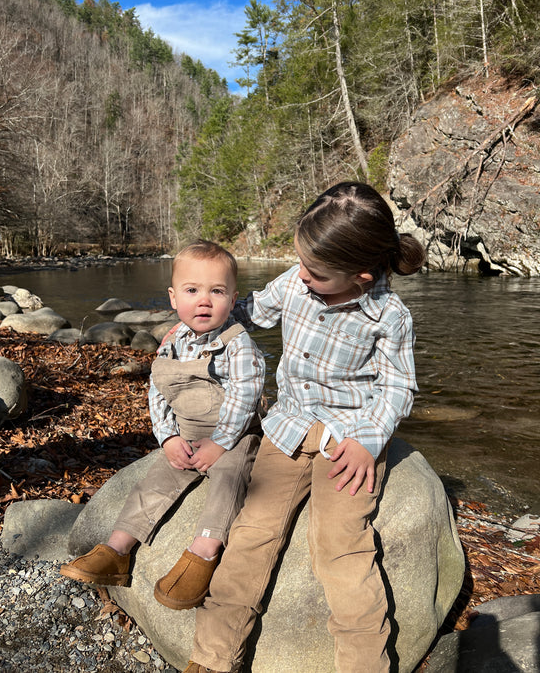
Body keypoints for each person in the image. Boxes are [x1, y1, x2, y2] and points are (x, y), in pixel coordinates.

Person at [183, 182, 426, 673]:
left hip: (348, 440)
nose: (301, 275)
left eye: (314, 272)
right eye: (300, 263)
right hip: (288, 428)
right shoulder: (296, 283)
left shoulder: (389, 316)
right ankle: (211, 660)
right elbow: (250, 312)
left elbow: (398, 388)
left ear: (359, 275)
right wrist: (202, 321)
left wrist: (369, 441)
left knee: (341, 550)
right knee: (251, 535)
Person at [60, 240, 266, 611]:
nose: (204, 300)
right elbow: (158, 391)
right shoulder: (172, 342)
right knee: (154, 480)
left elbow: (245, 399)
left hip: (233, 436)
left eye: (216, 291)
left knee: (229, 479)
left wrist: (220, 443)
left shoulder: (239, 345)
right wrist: (168, 437)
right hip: (186, 431)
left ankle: (203, 552)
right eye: (192, 290)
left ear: (233, 300)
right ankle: (118, 549)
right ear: (173, 298)